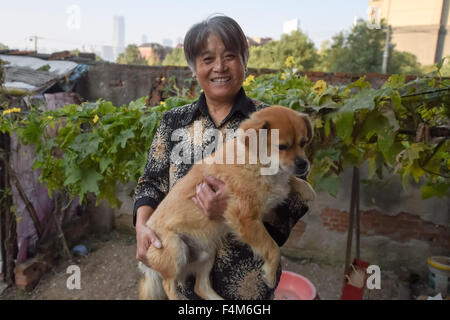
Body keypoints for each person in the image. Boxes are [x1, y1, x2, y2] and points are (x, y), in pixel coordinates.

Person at [133, 14, 309, 300]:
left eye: (229, 56)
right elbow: (150, 183)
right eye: (207, 59)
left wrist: (232, 210)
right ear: (194, 68)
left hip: (246, 284)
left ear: (244, 61)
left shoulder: (271, 120)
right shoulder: (174, 122)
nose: (219, 67)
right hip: (183, 283)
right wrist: (143, 226)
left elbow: (295, 197)